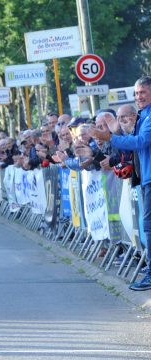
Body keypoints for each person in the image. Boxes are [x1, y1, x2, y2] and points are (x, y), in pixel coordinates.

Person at [91, 76, 151, 290]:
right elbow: (130, 146)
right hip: (145, 178)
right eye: (136, 93)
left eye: (142, 92)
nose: (139, 97)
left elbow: (141, 142)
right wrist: (114, 134)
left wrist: (110, 138)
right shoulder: (144, 114)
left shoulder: (149, 115)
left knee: (149, 227)